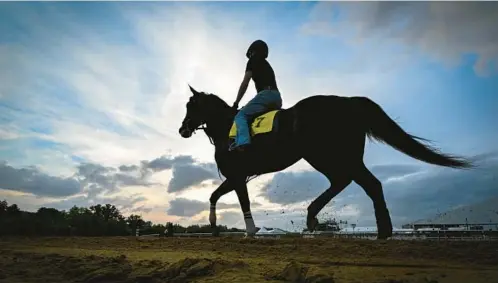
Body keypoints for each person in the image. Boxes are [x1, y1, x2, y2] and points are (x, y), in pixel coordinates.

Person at [230, 39, 283, 152]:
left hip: (265, 95)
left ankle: (243, 143)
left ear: (253, 51)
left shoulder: (252, 61)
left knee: (241, 116)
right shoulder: (267, 65)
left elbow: (245, 83)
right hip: (277, 97)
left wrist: (236, 103)